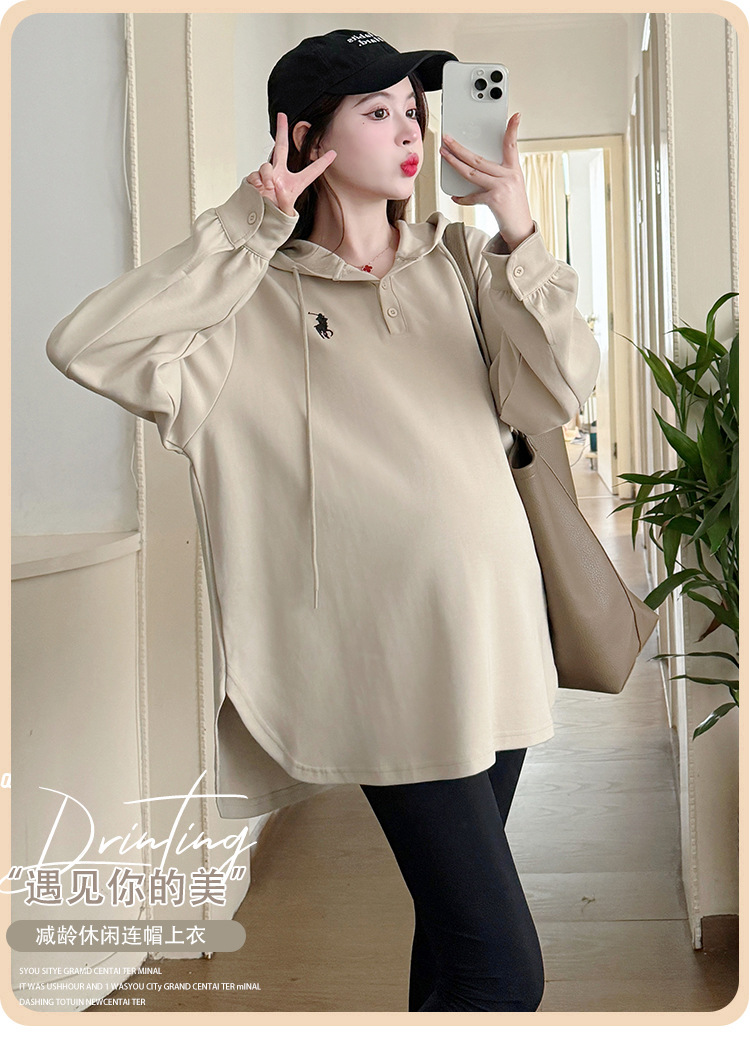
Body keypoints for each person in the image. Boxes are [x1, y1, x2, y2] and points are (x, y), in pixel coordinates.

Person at [46, 29, 601, 1012]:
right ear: (304, 137)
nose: (411, 131)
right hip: (384, 665)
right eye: (377, 111)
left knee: (457, 934)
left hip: (493, 638)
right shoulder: (241, 307)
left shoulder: (462, 266)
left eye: (413, 110)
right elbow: (89, 344)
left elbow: (559, 391)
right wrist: (246, 224)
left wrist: (519, 228)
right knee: (502, 966)